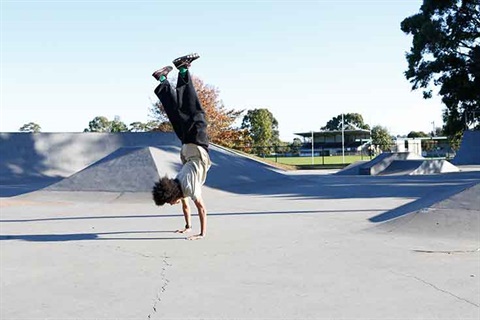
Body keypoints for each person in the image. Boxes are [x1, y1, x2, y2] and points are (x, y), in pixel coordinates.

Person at [151, 53, 211, 241]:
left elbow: (201, 208)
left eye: (170, 202)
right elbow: (186, 206)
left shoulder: (189, 189)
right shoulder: (179, 183)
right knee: (176, 115)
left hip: (196, 145)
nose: (172, 204)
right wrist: (187, 227)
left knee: (193, 111)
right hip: (185, 146)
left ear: (173, 194)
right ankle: (162, 80)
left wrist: (201, 234)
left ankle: (183, 69)